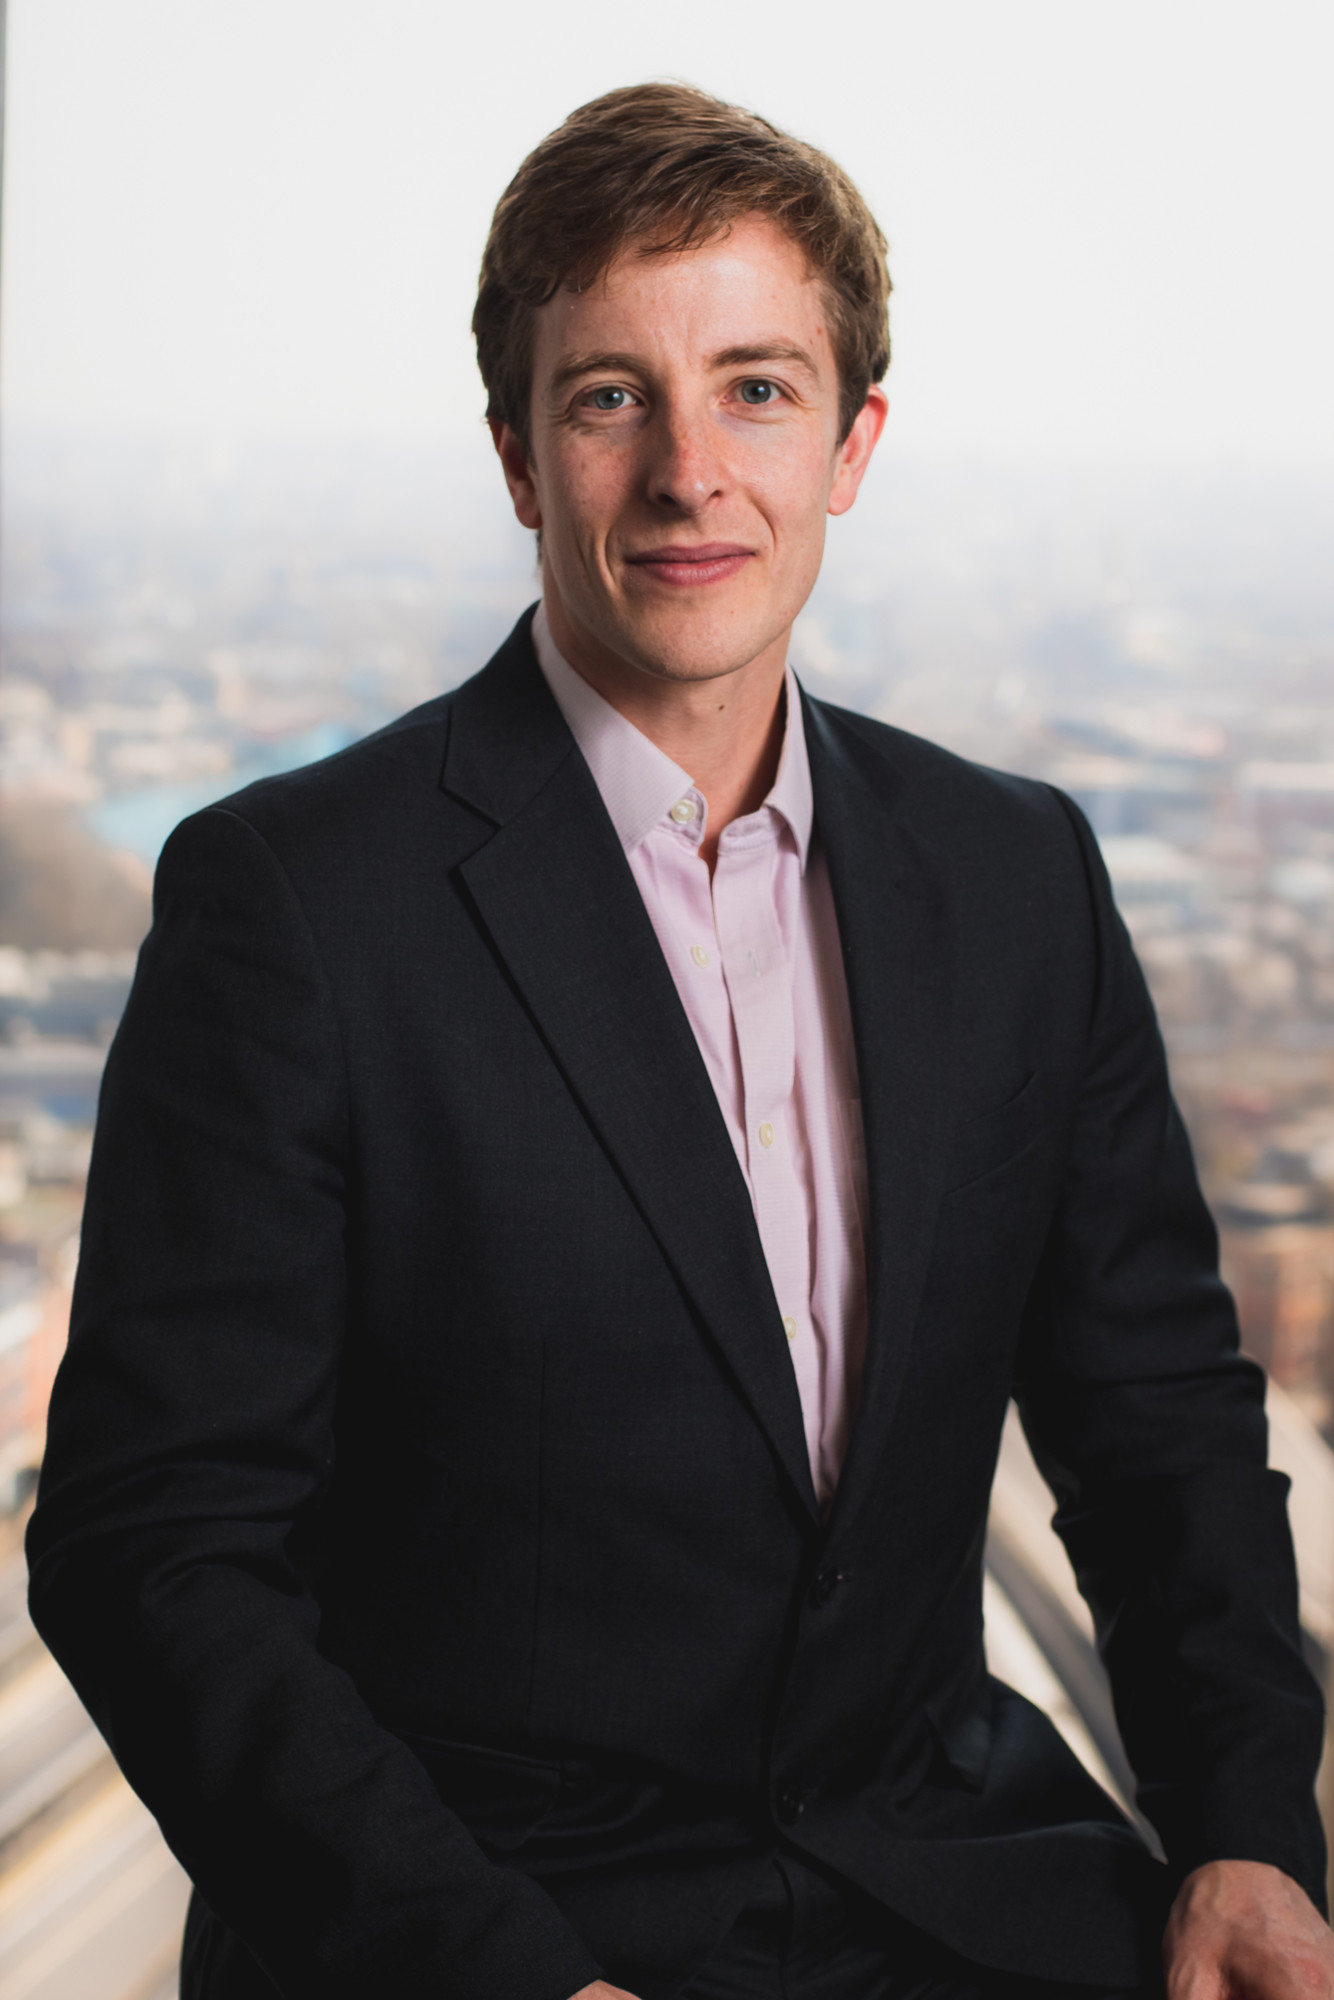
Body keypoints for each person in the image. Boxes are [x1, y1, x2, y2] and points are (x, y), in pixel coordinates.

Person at [26, 83, 1333, 2000]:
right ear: (514, 454)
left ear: (854, 441)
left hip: (951, 1896)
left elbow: (1157, 1431)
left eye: (756, 388)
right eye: (608, 394)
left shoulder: (1014, 875)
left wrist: (1240, 1829)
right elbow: (154, 1547)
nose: (687, 473)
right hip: (483, 1931)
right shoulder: (295, 905)